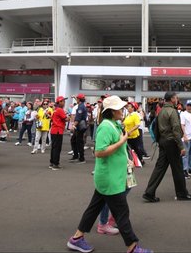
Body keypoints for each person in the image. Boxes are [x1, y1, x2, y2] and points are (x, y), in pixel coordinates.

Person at [67, 95, 152, 253]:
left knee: (94, 209)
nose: (123, 110)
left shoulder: (114, 124)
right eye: (120, 108)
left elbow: (117, 147)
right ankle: (132, 247)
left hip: (110, 177)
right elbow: (99, 152)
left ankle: (76, 239)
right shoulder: (106, 126)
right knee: (122, 213)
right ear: (112, 111)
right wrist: (121, 142)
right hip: (110, 178)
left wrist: (127, 158)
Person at [142, 91, 191, 202]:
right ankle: (182, 193)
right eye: (176, 97)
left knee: (160, 168)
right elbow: (176, 130)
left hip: (163, 142)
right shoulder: (172, 111)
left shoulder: (161, 111)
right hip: (171, 143)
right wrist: (181, 147)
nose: (177, 99)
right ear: (172, 99)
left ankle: (149, 192)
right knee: (178, 169)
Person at [49, 96, 69, 170]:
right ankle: (55, 164)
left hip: (54, 130)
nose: (64, 102)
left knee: (54, 147)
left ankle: (52, 162)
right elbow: (66, 119)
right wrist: (69, 117)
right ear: (59, 102)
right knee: (57, 148)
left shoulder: (55, 109)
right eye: (63, 101)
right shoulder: (60, 110)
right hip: (58, 130)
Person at [70, 93, 88, 163]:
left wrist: (73, 126)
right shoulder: (81, 105)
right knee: (74, 140)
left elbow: (78, 118)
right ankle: (76, 156)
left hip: (79, 126)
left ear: (79, 99)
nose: (76, 99)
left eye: (77, 98)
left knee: (79, 142)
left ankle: (81, 158)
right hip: (80, 126)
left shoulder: (80, 107)